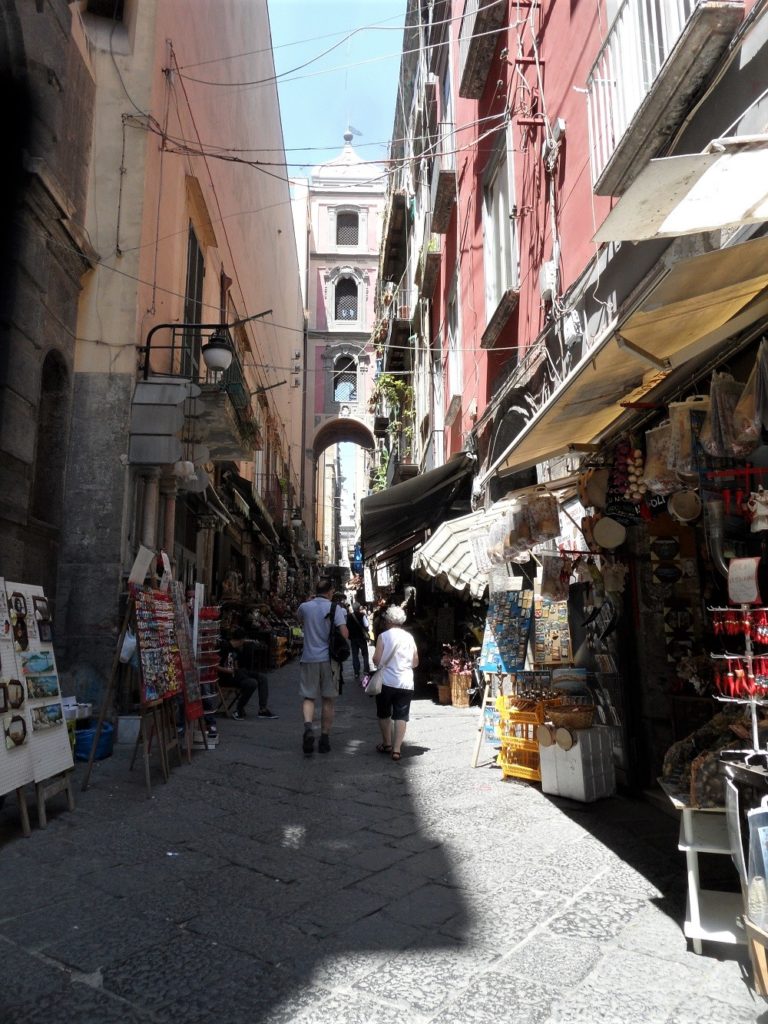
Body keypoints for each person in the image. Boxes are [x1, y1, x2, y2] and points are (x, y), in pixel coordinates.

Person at [296, 578, 349, 755]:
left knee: (308, 697)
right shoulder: (336, 608)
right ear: (330, 591)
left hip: (309, 658)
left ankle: (308, 728)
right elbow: (344, 634)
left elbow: (299, 619)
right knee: (328, 700)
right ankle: (324, 739)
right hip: (329, 660)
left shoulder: (304, 607)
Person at [372, 605, 419, 762]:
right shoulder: (409, 637)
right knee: (401, 715)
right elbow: (415, 662)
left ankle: (387, 744)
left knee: (384, 713)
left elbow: (376, 660)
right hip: (405, 682)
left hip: (386, 681)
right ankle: (397, 749)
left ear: (389, 621)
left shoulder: (383, 636)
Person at [218, 627, 277, 720]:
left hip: (236, 673)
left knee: (262, 678)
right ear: (241, 640)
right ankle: (239, 710)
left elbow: (236, 665)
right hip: (226, 677)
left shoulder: (236, 649)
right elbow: (214, 666)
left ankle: (263, 709)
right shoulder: (224, 647)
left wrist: (237, 669)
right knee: (252, 683)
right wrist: (228, 670)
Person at [346, 603, 371, 680]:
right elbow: (366, 625)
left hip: (353, 638)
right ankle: (366, 670)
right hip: (361, 638)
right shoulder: (362, 615)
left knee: (355, 655)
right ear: (359, 608)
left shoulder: (349, 616)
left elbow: (347, 626)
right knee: (365, 654)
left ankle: (356, 672)